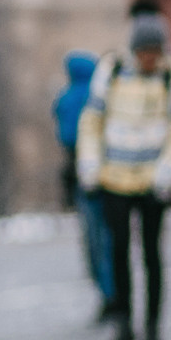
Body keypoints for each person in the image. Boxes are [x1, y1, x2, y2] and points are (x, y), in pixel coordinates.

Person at [77, 8, 171, 340]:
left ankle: (153, 325)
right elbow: (92, 120)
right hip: (114, 178)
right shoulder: (113, 70)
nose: (149, 58)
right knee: (118, 252)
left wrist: (168, 172)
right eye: (144, 52)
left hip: (153, 182)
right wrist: (90, 165)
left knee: (151, 254)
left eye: (154, 52)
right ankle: (123, 323)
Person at [53, 49, 117, 321]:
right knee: (107, 238)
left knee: (93, 238)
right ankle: (113, 292)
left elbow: (65, 135)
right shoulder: (103, 94)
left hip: (81, 173)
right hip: (107, 173)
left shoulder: (68, 98)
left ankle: (107, 292)